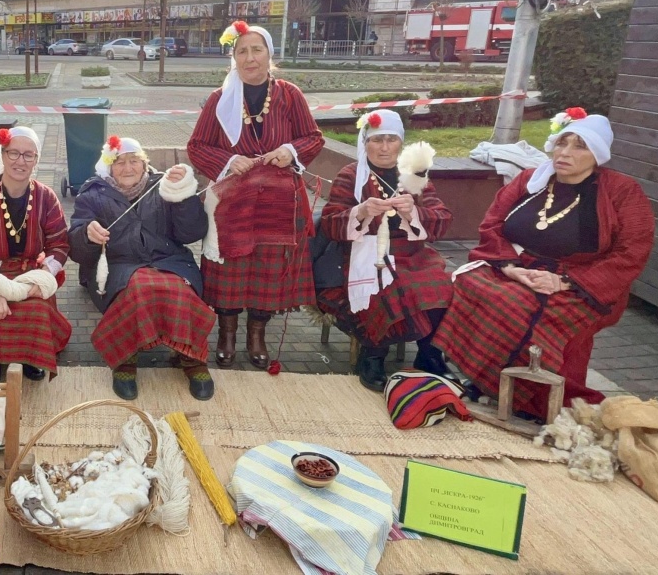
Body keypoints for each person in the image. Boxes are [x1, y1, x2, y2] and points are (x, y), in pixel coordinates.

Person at [434, 110, 655, 421]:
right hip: (517, 268)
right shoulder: (530, 180)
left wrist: (563, 281)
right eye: (562, 143)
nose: (565, 153)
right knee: (470, 284)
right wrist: (510, 267)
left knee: (521, 307)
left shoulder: (621, 191)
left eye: (579, 146)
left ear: (598, 155)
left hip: (582, 283)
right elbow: (492, 224)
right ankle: (489, 379)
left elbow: (633, 250)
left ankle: (529, 396)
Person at [187, 21, 324, 370]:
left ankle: (256, 336)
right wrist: (229, 160)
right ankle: (227, 334)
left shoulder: (289, 94)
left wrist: (291, 151)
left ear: (269, 55)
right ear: (233, 58)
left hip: (279, 206)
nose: (250, 58)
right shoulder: (220, 100)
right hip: (233, 204)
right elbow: (197, 146)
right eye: (242, 51)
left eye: (256, 50)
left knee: (268, 271)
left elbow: (313, 138)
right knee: (229, 270)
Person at [316, 110, 455, 392]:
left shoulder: (415, 176)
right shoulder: (351, 175)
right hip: (361, 253)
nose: (383, 147)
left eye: (391, 140)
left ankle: (430, 355)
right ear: (365, 143)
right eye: (376, 140)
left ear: (400, 143)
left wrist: (415, 211)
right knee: (391, 284)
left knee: (443, 286)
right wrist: (360, 211)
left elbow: (441, 219)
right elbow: (330, 224)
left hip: (411, 253)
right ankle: (373, 354)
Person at [68, 136, 214, 400]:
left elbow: (191, 233)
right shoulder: (92, 194)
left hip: (169, 261)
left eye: (134, 161)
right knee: (140, 287)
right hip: (118, 266)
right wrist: (86, 234)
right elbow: (77, 250)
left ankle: (190, 356)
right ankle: (126, 359)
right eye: (120, 162)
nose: (128, 168)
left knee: (177, 289)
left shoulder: (163, 186)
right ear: (108, 167)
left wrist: (183, 195)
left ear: (144, 163)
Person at [0, 127, 72, 382]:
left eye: (28, 155)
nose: (20, 161)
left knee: (36, 310)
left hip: (31, 273)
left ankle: (32, 356)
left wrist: (41, 279)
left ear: (36, 160)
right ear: (3, 154)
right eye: (14, 153)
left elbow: (59, 244)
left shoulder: (46, 197)